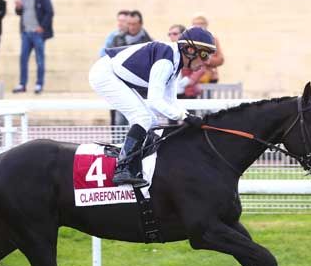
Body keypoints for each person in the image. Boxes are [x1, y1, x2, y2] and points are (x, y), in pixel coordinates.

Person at [90, 27, 216, 186]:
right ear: (189, 50)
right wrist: (184, 117)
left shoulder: (174, 62)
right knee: (142, 117)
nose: (207, 61)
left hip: (113, 73)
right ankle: (122, 169)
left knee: (152, 121)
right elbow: (155, 101)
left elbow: (170, 101)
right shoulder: (166, 62)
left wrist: (189, 117)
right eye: (204, 55)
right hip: (104, 74)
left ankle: (137, 166)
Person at [12, 0, 54, 95]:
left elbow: (49, 12)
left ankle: (39, 84)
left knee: (39, 60)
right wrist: (18, 7)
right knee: (23, 59)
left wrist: (42, 27)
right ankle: (22, 84)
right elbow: (19, 13)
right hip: (26, 33)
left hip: (37, 33)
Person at [191, 14, 224, 83]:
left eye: (201, 23)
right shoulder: (188, 40)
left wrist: (205, 58)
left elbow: (220, 59)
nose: (198, 26)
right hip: (191, 78)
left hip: (210, 77)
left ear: (206, 25)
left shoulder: (213, 40)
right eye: (195, 24)